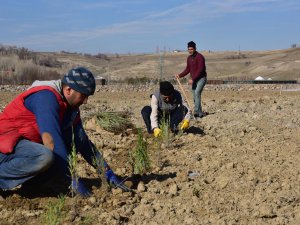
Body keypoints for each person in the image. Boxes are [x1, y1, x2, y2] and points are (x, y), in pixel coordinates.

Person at [0, 67, 129, 196]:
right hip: (6, 148)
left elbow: (83, 142)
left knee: (73, 141)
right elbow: (51, 141)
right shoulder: (46, 98)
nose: (85, 101)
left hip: (24, 148)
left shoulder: (69, 108)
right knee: (44, 156)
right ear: (68, 90)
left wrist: (107, 173)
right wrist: (73, 180)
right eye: (83, 96)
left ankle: (32, 187)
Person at [176, 41, 207, 118]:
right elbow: (187, 69)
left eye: (191, 49)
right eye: (189, 49)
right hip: (194, 79)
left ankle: (196, 112)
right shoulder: (189, 58)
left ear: (195, 48)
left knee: (197, 93)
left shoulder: (200, 57)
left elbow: (201, 70)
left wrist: (193, 78)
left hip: (201, 78)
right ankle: (200, 113)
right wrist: (180, 75)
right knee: (195, 96)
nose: (190, 50)